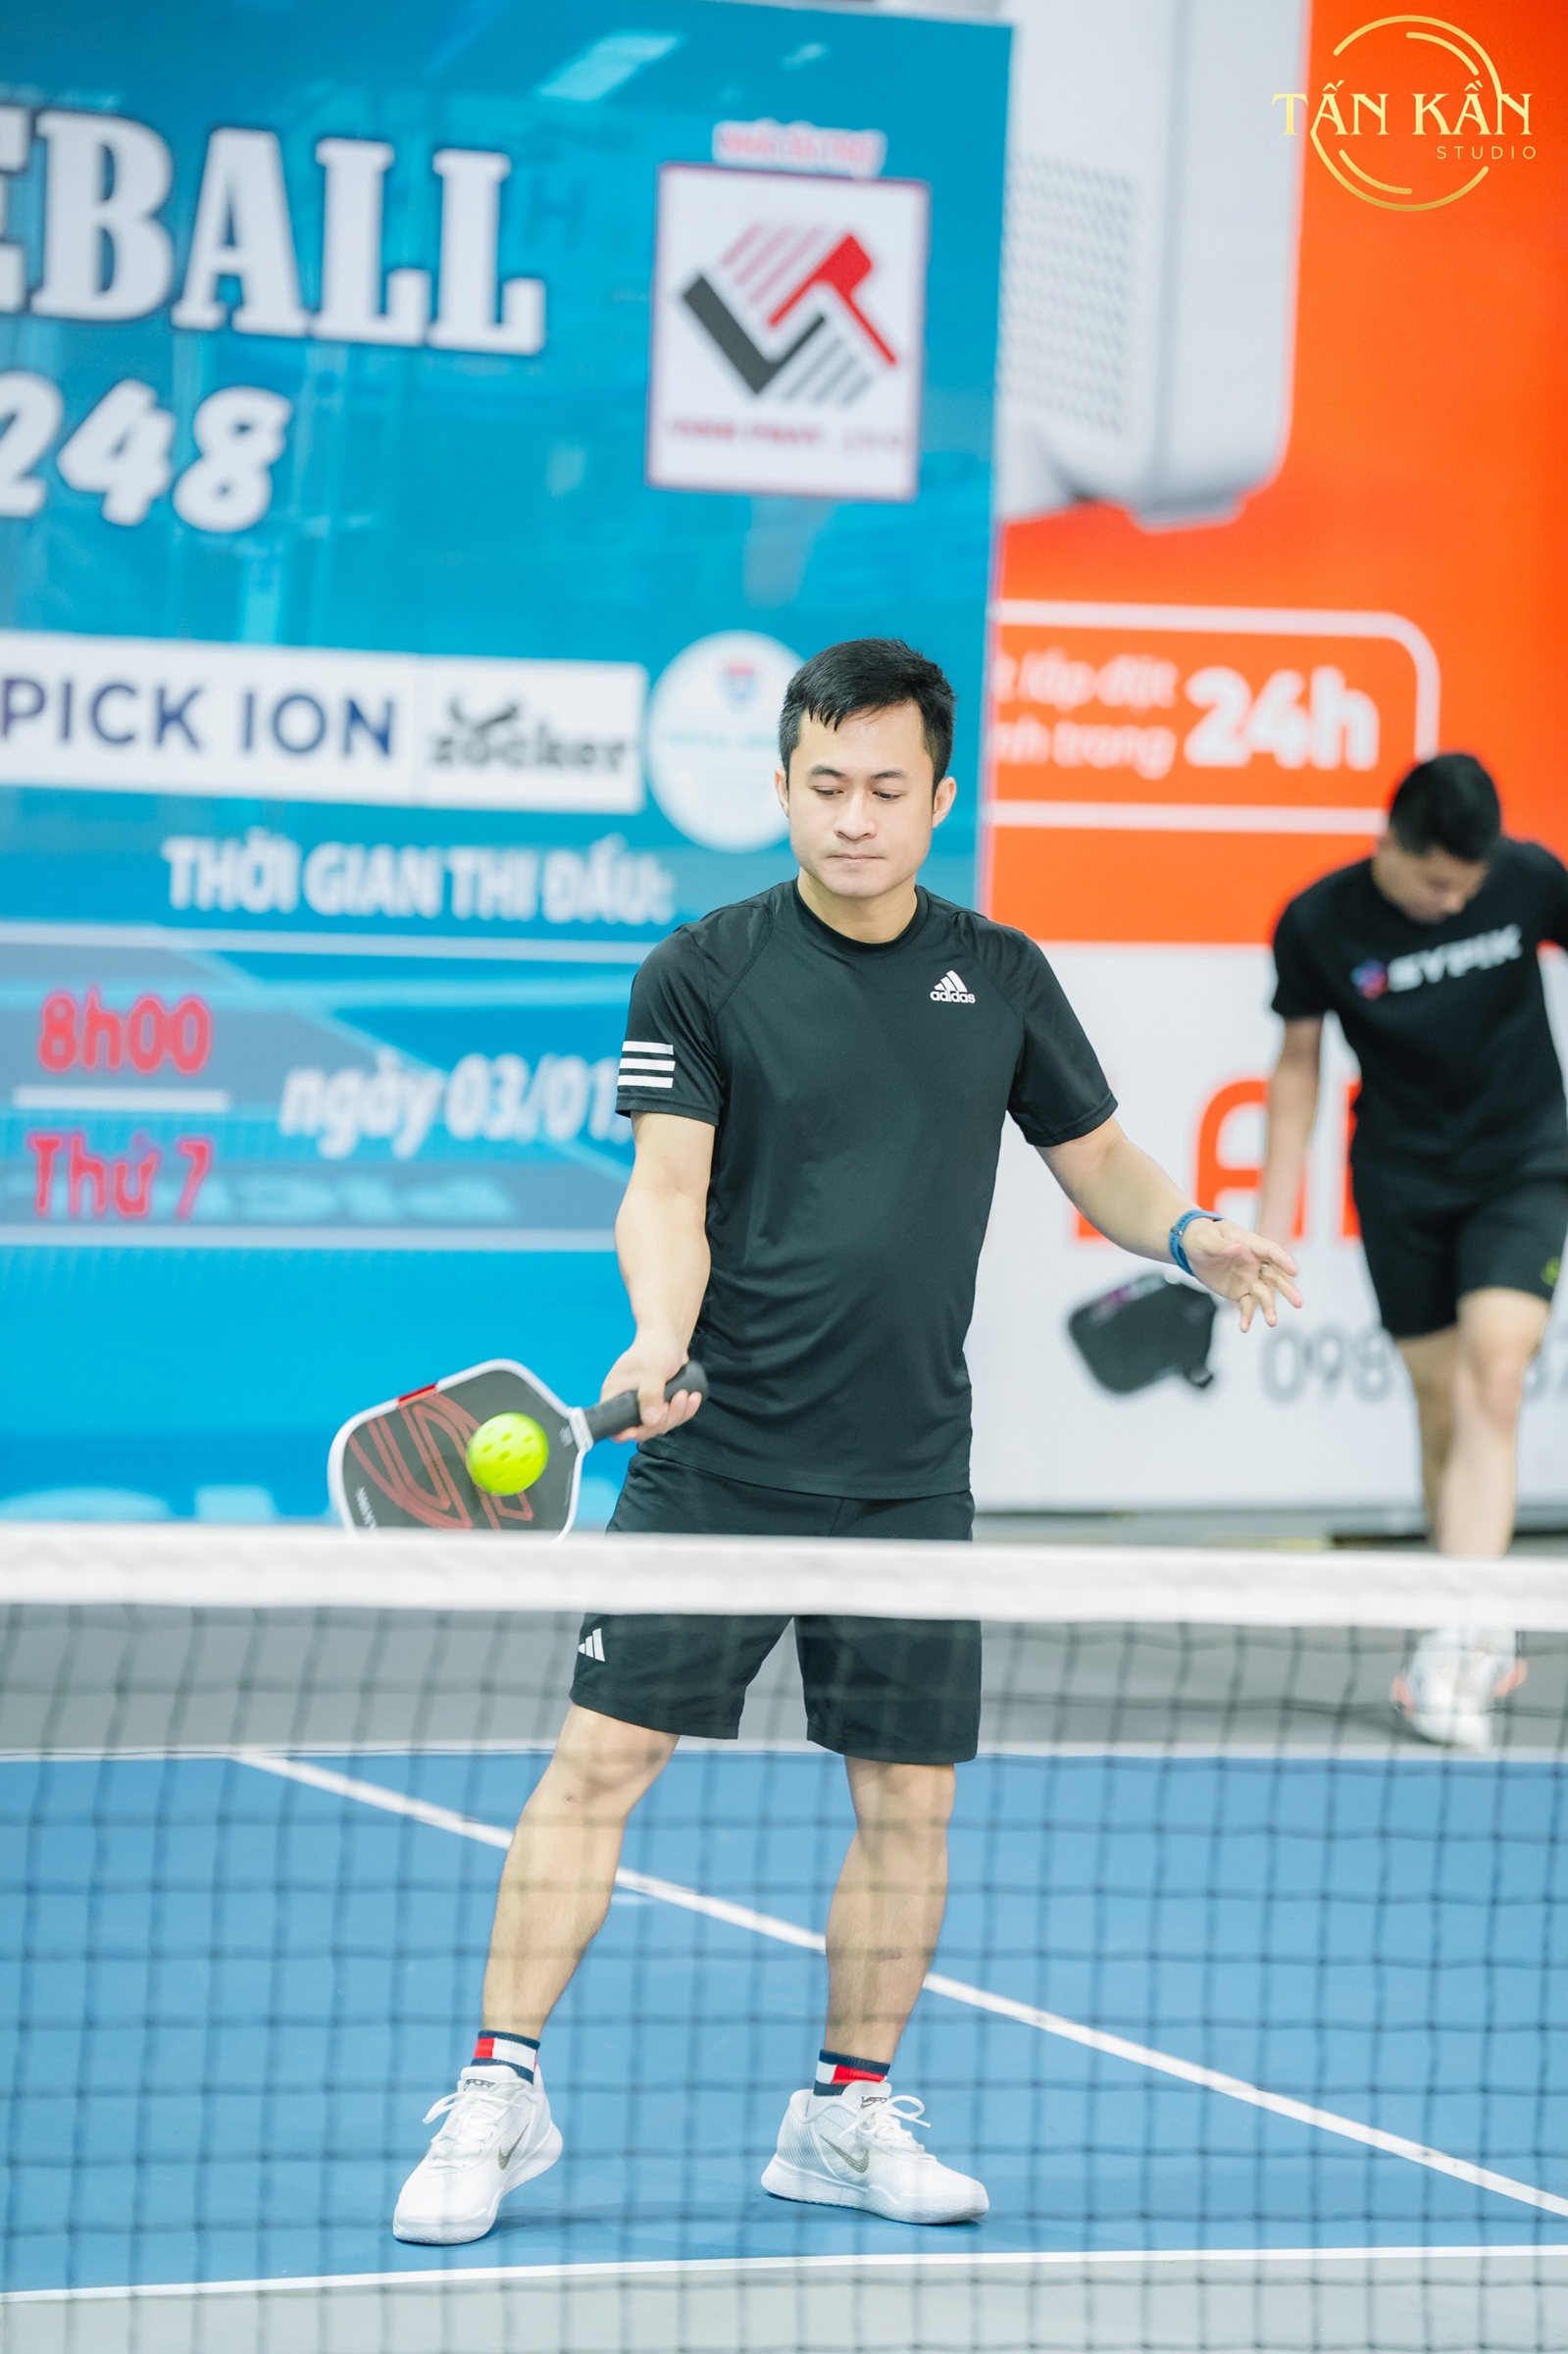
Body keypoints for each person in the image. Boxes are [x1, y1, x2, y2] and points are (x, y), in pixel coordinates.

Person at [392, 638, 1300, 2246]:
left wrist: (1186, 1235)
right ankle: (498, 2092)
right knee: (598, 1765)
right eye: (824, 786)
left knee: (907, 1802)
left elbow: (1093, 1157)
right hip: (716, 1455)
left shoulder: (998, 976)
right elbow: (665, 1188)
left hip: (903, 1475)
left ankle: (842, 2111)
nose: (853, 818)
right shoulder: (701, 969)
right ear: (780, 786)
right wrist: (658, 1334)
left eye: (886, 788)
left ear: (939, 798)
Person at [1257, 753, 1568, 1748]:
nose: (1454, 901)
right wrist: (1268, 1222)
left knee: (1493, 1378)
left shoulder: (1527, 878)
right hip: (1402, 1184)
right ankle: (1461, 1604)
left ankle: (1462, 1632)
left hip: (1524, 1164)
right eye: (1437, 882)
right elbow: (1296, 1070)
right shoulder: (1318, 923)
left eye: (1468, 887)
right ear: (1390, 841)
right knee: (1441, 1406)